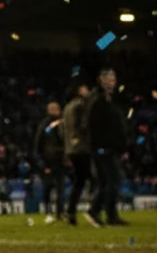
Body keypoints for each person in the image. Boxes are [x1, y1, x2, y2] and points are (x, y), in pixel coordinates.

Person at [86, 68, 129, 227]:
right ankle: (95, 211)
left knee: (111, 181)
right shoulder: (98, 100)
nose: (112, 82)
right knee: (110, 181)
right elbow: (94, 126)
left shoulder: (108, 100)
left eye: (113, 79)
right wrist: (100, 145)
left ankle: (111, 215)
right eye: (109, 79)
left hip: (109, 147)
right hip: (102, 147)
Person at [61, 82, 91, 226]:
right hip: (82, 147)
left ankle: (71, 211)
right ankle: (93, 210)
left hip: (71, 148)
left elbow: (63, 130)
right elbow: (83, 125)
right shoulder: (80, 105)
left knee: (80, 181)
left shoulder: (67, 108)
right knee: (93, 179)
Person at [34, 101, 66, 223]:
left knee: (60, 188)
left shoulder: (62, 123)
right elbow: (38, 145)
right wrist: (43, 164)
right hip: (49, 161)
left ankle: (59, 212)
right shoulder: (45, 125)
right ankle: (48, 211)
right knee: (48, 187)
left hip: (60, 160)